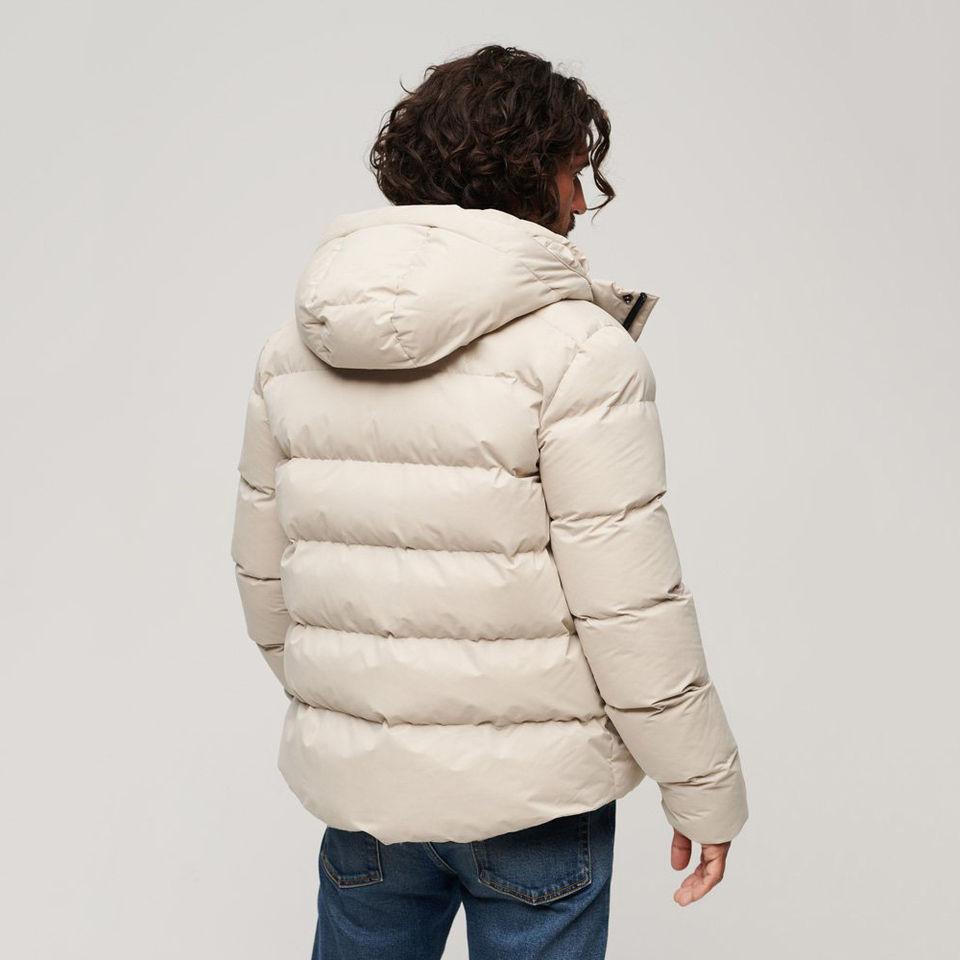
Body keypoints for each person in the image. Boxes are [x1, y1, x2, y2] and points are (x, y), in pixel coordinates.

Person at [230, 43, 749, 960]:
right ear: (526, 171)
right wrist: (703, 788)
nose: (580, 202)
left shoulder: (296, 346)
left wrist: (369, 711)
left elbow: (266, 582)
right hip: (534, 802)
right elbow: (629, 608)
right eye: (573, 172)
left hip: (367, 801)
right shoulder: (580, 351)